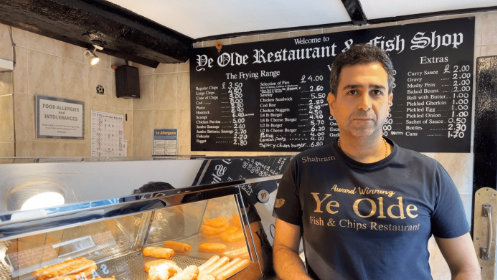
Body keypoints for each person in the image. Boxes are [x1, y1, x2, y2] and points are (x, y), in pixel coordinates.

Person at [272, 44, 480, 280]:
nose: (364, 104)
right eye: (352, 91)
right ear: (332, 103)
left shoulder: (430, 174)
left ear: (389, 101)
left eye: (376, 92)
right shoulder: (303, 167)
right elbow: (283, 249)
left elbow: (466, 268)